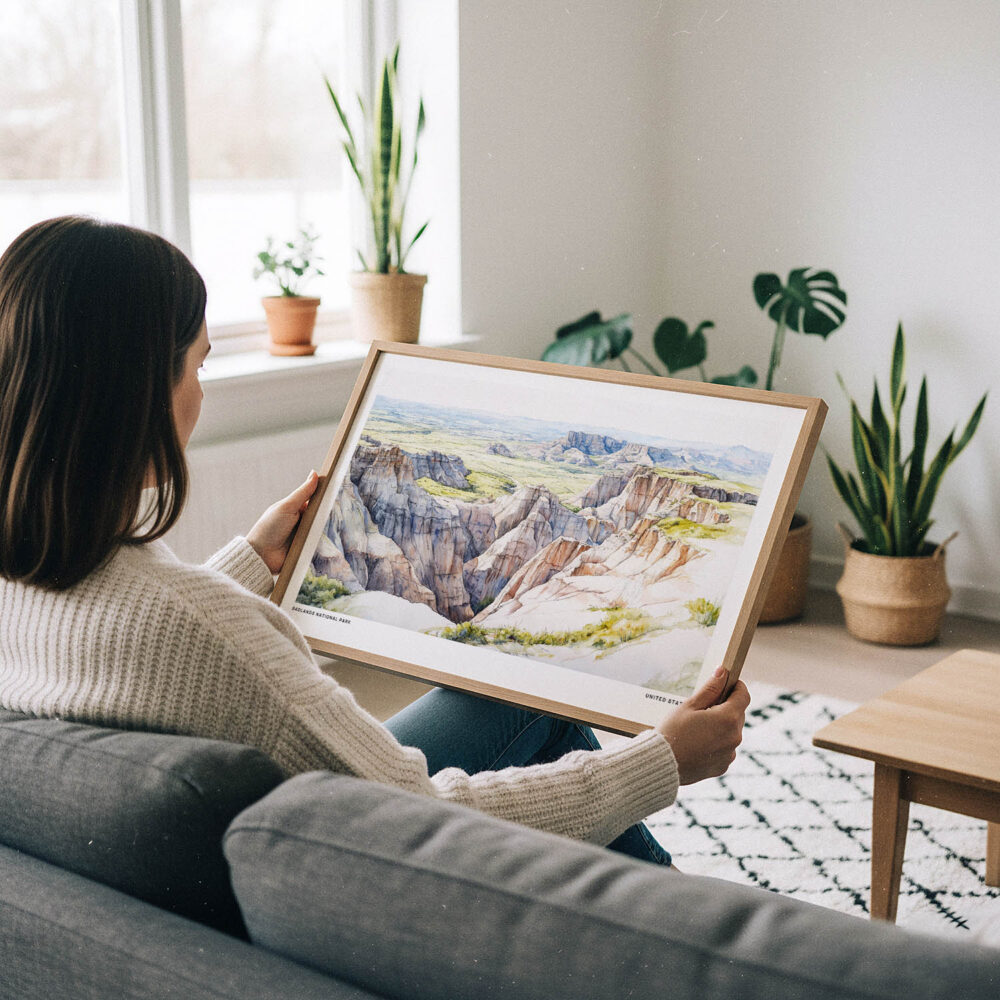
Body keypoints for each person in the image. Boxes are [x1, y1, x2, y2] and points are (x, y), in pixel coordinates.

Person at [0, 216, 749, 866]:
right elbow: (419, 817)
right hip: (360, 860)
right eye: (198, 365)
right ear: (135, 395)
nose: (202, 392)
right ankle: (694, 936)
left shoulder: (26, 581)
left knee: (503, 695)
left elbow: (140, 638)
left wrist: (249, 564)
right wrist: (660, 761)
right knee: (544, 715)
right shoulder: (207, 630)